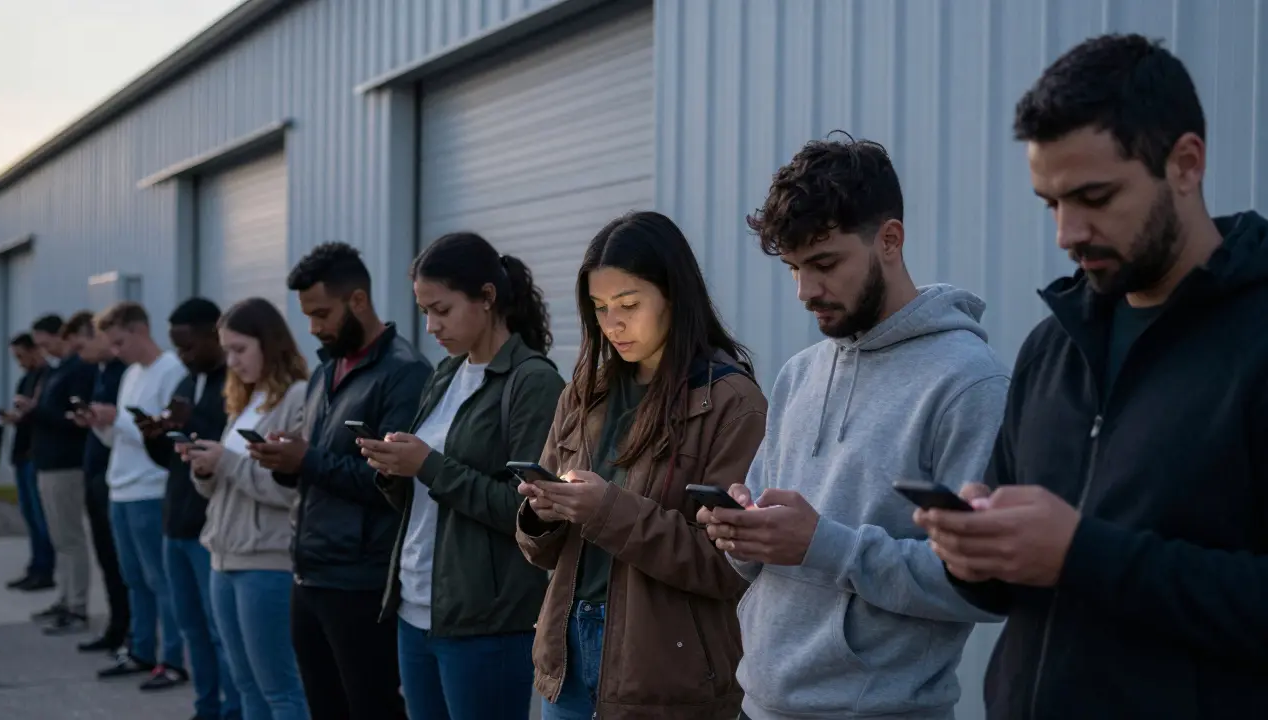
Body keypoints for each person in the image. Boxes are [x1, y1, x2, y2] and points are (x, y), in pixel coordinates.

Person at [916, 34, 1268, 719]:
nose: (1067, 233)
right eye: (1050, 202)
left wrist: (1083, 556)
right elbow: (1009, 592)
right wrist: (972, 555)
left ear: (1186, 164)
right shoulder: (1053, 346)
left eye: (1094, 196)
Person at [697, 135, 1010, 720]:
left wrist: (825, 545)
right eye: (793, 268)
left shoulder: (969, 384)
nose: (805, 291)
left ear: (889, 240)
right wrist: (742, 533)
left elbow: (983, 586)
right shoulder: (799, 374)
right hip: (757, 705)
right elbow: (766, 557)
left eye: (824, 263)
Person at [516, 211, 766, 720]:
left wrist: (605, 508)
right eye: (599, 308)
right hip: (566, 655)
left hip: (665, 673)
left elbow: (730, 565)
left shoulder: (730, 402)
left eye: (629, 304)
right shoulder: (585, 394)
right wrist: (542, 514)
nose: (613, 324)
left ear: (674, 295)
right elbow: (540, 553)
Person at [362, 233, 565, 720]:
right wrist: (395, 469)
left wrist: (427, 465)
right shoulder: (445, 373)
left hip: (485, 620)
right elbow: (427, 496)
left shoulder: (533, 381)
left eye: (442, 310)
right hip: (416, 605)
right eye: (424, 310)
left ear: (487, 298)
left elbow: (529, 513)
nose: (430, 326)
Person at [253, 242, 431, 720]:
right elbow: (320, 467)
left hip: (361, 580)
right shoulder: (326, 371)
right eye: (307, 315)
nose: (313, 327)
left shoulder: (404, 374)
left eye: (321, 313)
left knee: (371, 707)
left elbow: (389, 482)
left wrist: (306, 460)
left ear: (357, 301)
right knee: (324, 707)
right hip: (309, 571)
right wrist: (285, 461)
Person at [186, 296, 312, 720]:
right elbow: (222, 488)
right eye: (227, 351)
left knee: (279, 689)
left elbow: (291, 490)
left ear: (270, 343)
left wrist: (227, 462)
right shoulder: (248, 399)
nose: (232, 361)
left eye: (240, 349)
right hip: (223, 558)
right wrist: (205, 469)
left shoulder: (298, 398)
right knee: (246, 688)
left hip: (267, 562)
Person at [138, 298, 241, 720]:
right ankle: (205, 708)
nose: (184, 356)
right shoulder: (186, 381)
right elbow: (172, 460)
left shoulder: (233, 384)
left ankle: (233, 710)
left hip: (208, 526)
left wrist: (192, 419)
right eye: (177, 348)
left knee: (221, 634)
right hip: (175, 522)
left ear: (215, 335)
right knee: (191, 628)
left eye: (190, 346)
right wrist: (155, 435)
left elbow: (230, 450)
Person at [82, 302, 190, 690]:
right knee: (133, 578)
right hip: (121, 487)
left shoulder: (172, 369)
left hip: (149, 488)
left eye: (120, 342)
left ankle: (172, 658)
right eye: (110, 344)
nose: (115, 351)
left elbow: (159, 431)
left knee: (160, 580)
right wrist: (99, 424)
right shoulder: (130, 374)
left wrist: (118, 419)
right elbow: (120, 437)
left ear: (141, 330)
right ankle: (142, 649)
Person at [21, 313, 97, 633]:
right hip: (47, 462)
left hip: (66, 463)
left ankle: (77, 606)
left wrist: (36, 410)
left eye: (46, 342)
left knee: (70, 537)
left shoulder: (78, 370)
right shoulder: (57, 371)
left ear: (61, 336)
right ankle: (65, 598)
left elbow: (75, 420)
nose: (44, 349)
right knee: (58, 537)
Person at [65, 311, 131, 653]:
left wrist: (107, 419)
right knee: (107, 557)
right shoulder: (103, 373)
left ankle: (127, 629)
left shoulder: (124, 374)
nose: (81, 353)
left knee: (122, 563)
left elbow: (131, 426)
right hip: (97, 473)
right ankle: (117, 626)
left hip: (114, 477)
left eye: (84, 344)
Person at [1, 333, 54, 592]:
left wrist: (29, 407)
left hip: (37, 454)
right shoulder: (26, 379)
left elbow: (44, 412)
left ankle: (46, 569)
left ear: (35, 351)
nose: (20, 362)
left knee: (41, 516)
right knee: (30, 516)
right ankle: (35, 566)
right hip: (22, 452)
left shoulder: (48, 377)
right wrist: (12, 416)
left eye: (21, 356)